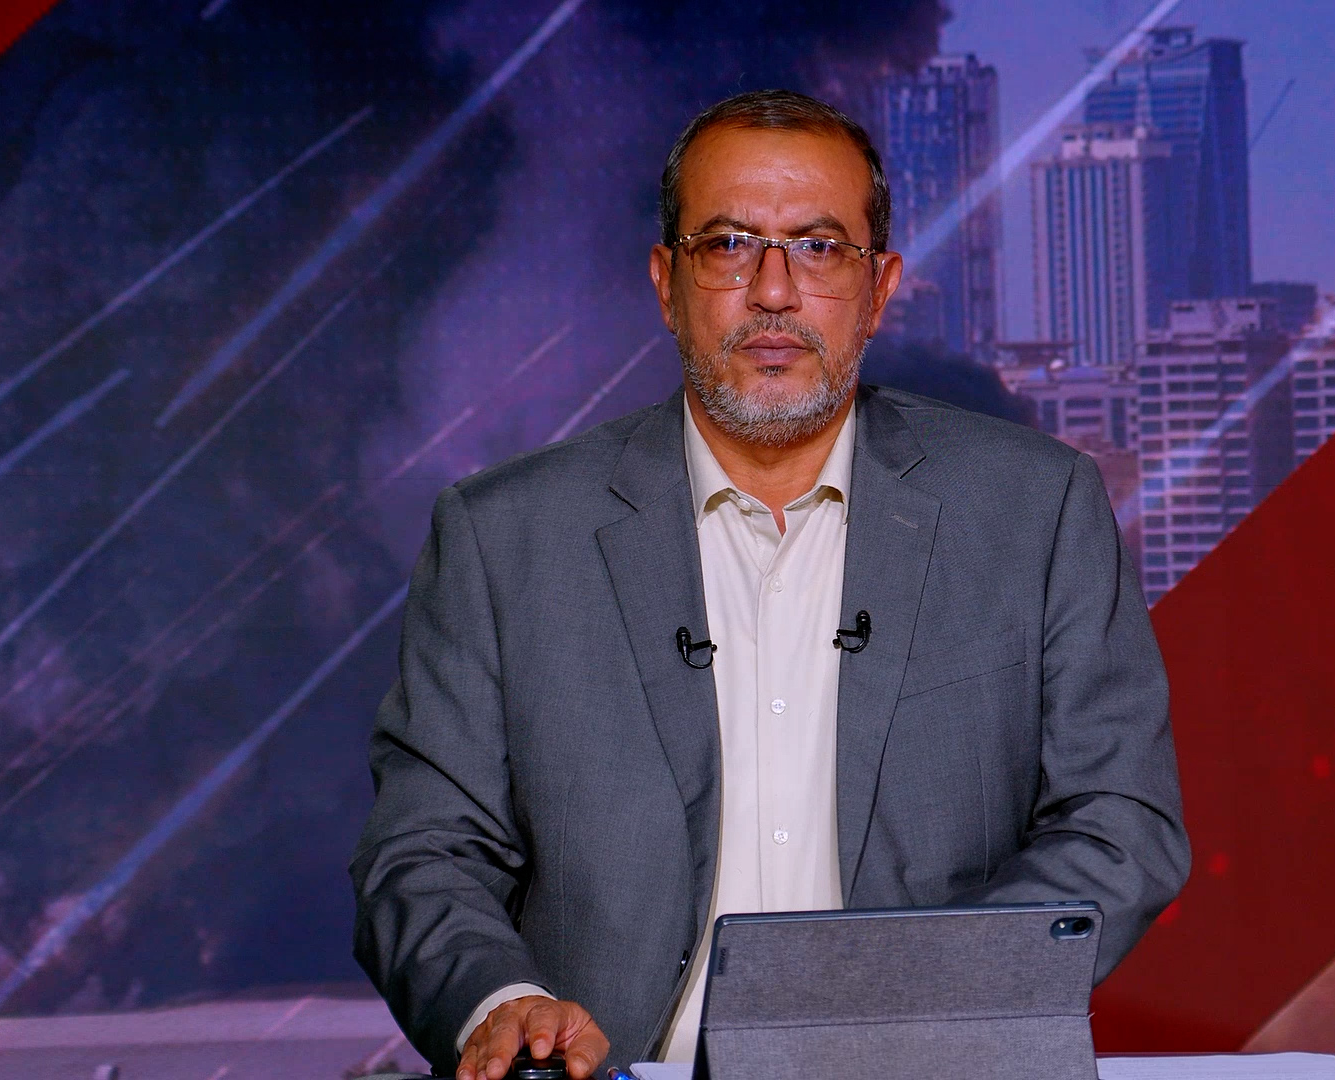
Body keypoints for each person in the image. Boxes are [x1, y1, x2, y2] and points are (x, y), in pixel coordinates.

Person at [350, 89, 1188, 1080]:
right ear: (666, 284)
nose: (775, 291)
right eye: (728, 245)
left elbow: (1117, 824)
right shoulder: (504, 537)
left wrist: (915, 1015)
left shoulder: (1035, 510)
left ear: (880, 289)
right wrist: (505, 1006)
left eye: (821, 248)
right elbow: (424, 853)